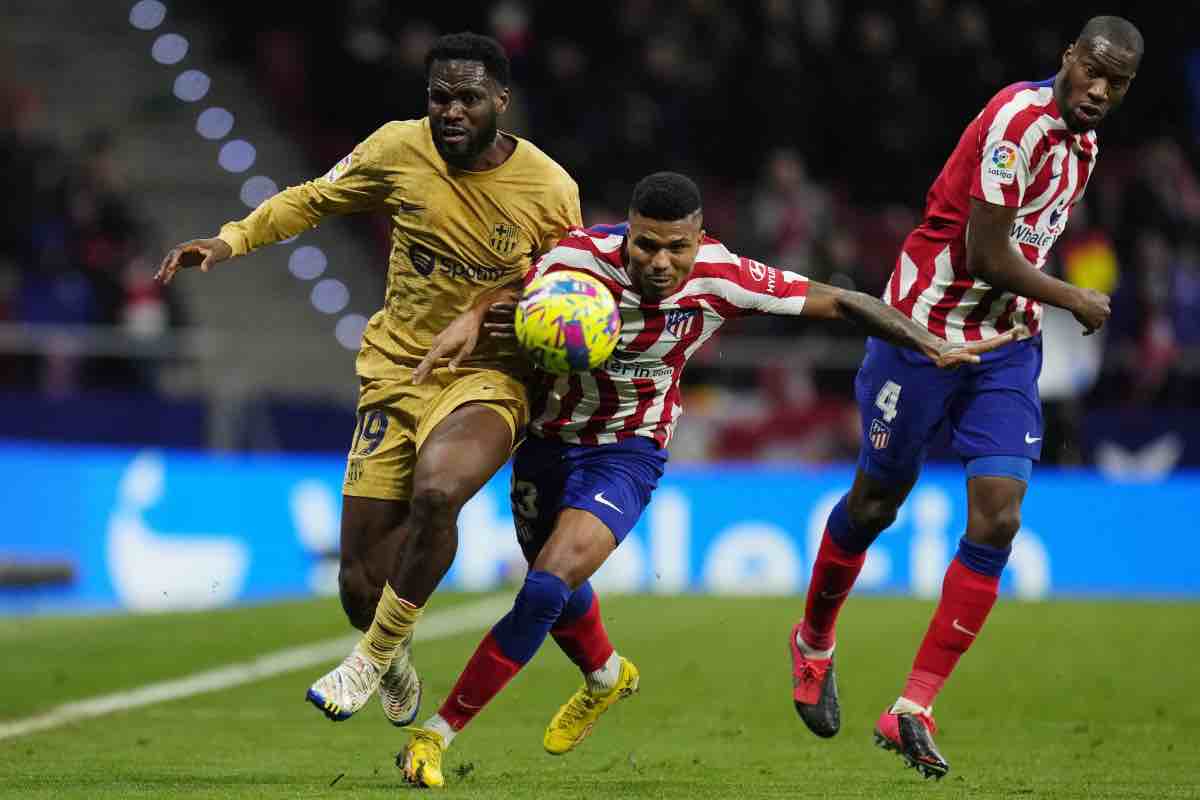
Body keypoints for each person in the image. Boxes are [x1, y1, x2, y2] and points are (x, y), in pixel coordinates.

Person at [395, 171, 1019, 789]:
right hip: (547, 441)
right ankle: (606, 677)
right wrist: (478, 316)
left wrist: (930, 344)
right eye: (646, 245)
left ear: (700, 238)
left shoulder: (725, 276)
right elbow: (514, 286)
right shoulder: (576, 258)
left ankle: (436, 735)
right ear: (628, 235)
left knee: (544, 585)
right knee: (550, 587)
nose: (661, 262)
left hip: (628, 451)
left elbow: (845, 300)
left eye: (677, 247)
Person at [154, 32, 581, 727]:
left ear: (501, 100)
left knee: (439, 492)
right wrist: (231, 239)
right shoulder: (395, 149)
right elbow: (313, 199)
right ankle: (392, 647)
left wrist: (489, 312)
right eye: (439, 97)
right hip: (397, 371)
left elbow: (565, 288)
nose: (451, 111)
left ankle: (367, 659)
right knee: (358, 584)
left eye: (468, 98)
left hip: (489, 376)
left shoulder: (549, 188)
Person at [788, 16, 1143, 779]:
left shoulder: (1083, 146)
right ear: (1068, 58)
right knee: (878, 502)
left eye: (1117, 82)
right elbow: (986, 252)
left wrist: (1041, 307)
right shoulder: (1019, 121)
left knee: (1001, 514)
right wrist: (1070, 298)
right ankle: (815, 638)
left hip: (1004, 350)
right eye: (1093, 71)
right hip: (919, 333)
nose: (1100, 90)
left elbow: (1027, 244)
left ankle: (912, 705)